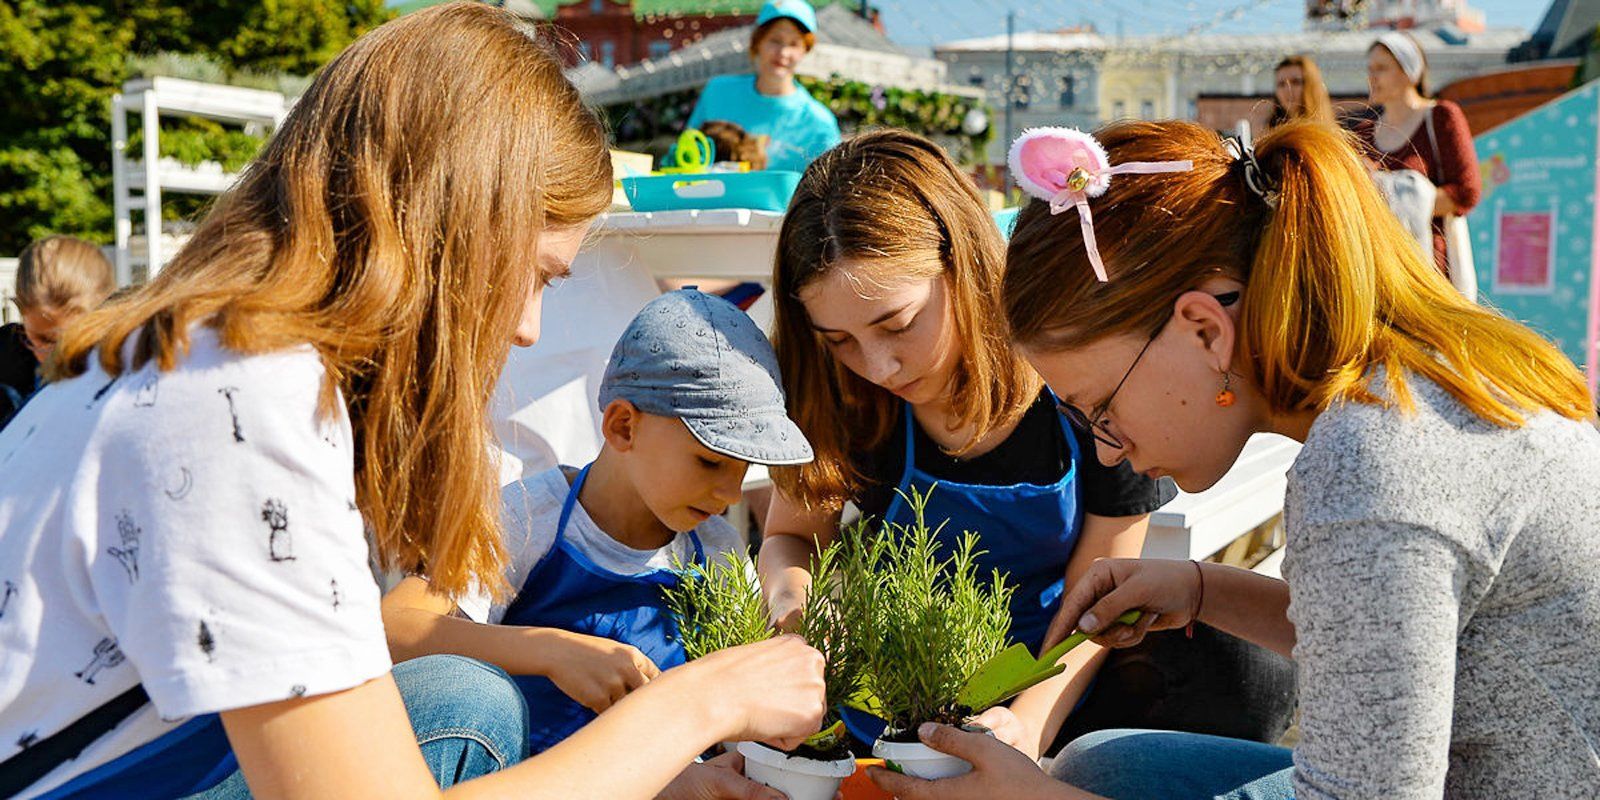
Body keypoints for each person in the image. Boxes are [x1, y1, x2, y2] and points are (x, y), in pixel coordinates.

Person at [0, 5, 826, 799]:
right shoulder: (234, 420)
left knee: (462, 699)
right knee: (464, 706)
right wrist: (697, 705)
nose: (531, 330)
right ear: (449, 223)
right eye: (535, 277)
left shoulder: (220, 360)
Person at [869, 118, 1600, 800]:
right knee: (1108, 765)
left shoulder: (1374, 466)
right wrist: (1198, 590)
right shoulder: (1425, 380)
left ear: (1203, 331)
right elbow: (1394, 648)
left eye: (1100, 406)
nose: (1103, 443)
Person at [759, 129, 1294, 761]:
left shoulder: (1077, 378)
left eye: (897, 324)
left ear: (964, 267)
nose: (878, 366)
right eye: (838, 340)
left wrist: (1024, 730)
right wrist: (796, 606)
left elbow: (1097, 598)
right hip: (905, 677)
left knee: (1241, 671)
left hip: (1059, 666)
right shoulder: (846, 396)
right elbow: (788, 536)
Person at [381, 289, 813, 789]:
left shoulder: (713, 548)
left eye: (742, 471)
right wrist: (551, 651)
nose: (729, 494)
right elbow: (393, 628)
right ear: (623, 426)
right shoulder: (527, 517)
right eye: (710, 462)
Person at [1357, 31, 1481, 277]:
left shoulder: (1441, 117)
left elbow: (1466, 193)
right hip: (1378, 267)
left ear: (1409, 71)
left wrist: (1395, 199)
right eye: (1370, 68)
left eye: (1382, 68)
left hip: (1429, 269)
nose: (1372, 76)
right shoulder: (1364, 132)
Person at [680, 0, 841, 173]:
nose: (783, 53)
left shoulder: (820, 124)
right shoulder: (717, 92)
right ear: (758, 42)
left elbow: (830, 191)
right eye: (775, 40)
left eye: (794, 44)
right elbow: (685, 156)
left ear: (805, 50)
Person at [0, 235, 115, 430]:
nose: (56, 356)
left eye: (72, 341)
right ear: (21, 313)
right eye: (41, 339)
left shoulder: (125, 370)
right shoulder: (5, 363)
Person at [1267, 55, 1334, 129]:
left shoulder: (1328, 134)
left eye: (1296, 82)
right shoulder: (1268, 133)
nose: (1288, 89)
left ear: (1312, 86)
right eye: (1281, 84)